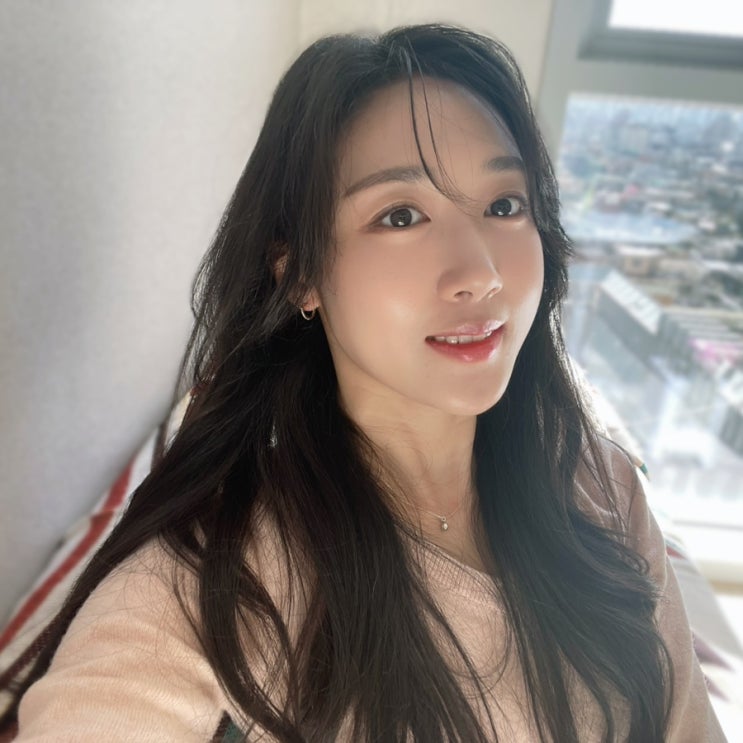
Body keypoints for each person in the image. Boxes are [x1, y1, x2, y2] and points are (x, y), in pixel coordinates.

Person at [1, 23, 725, 742]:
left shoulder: (604, 489)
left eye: (504, 205)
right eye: (400, 216)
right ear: (300, 275)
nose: (481, 274)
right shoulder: (215, 579)